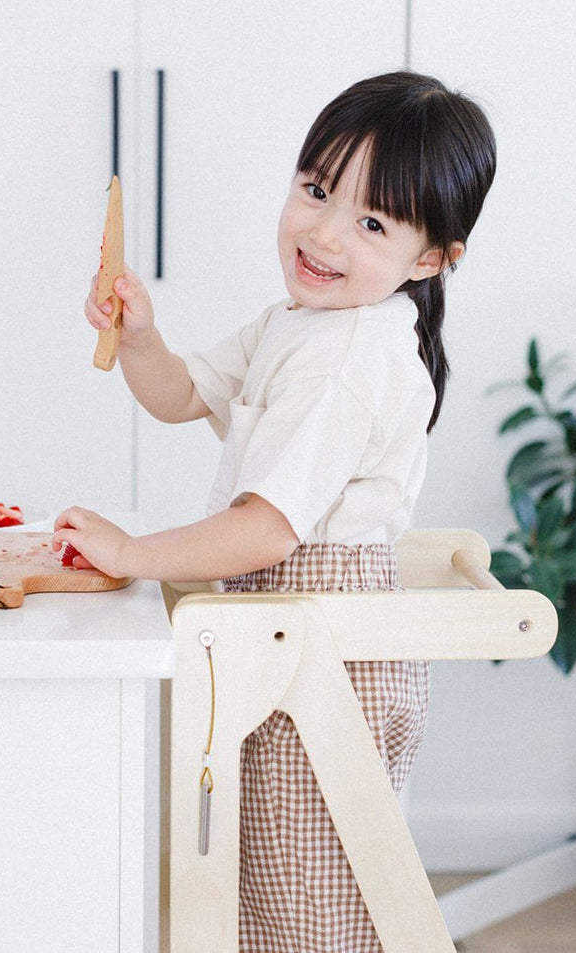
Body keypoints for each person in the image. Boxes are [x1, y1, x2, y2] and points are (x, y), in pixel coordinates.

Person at [53, 70, 497, 951]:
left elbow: (267, 528)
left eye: (372, 222)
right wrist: (142, 336)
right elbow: (182, 395)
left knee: (307, 893)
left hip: (324, 645)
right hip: (283, 633)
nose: (325, 233)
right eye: (317, 189)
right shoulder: (300, 322)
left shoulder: (349, 359)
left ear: (432, 257)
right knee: (270, 870)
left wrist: (129, 551)